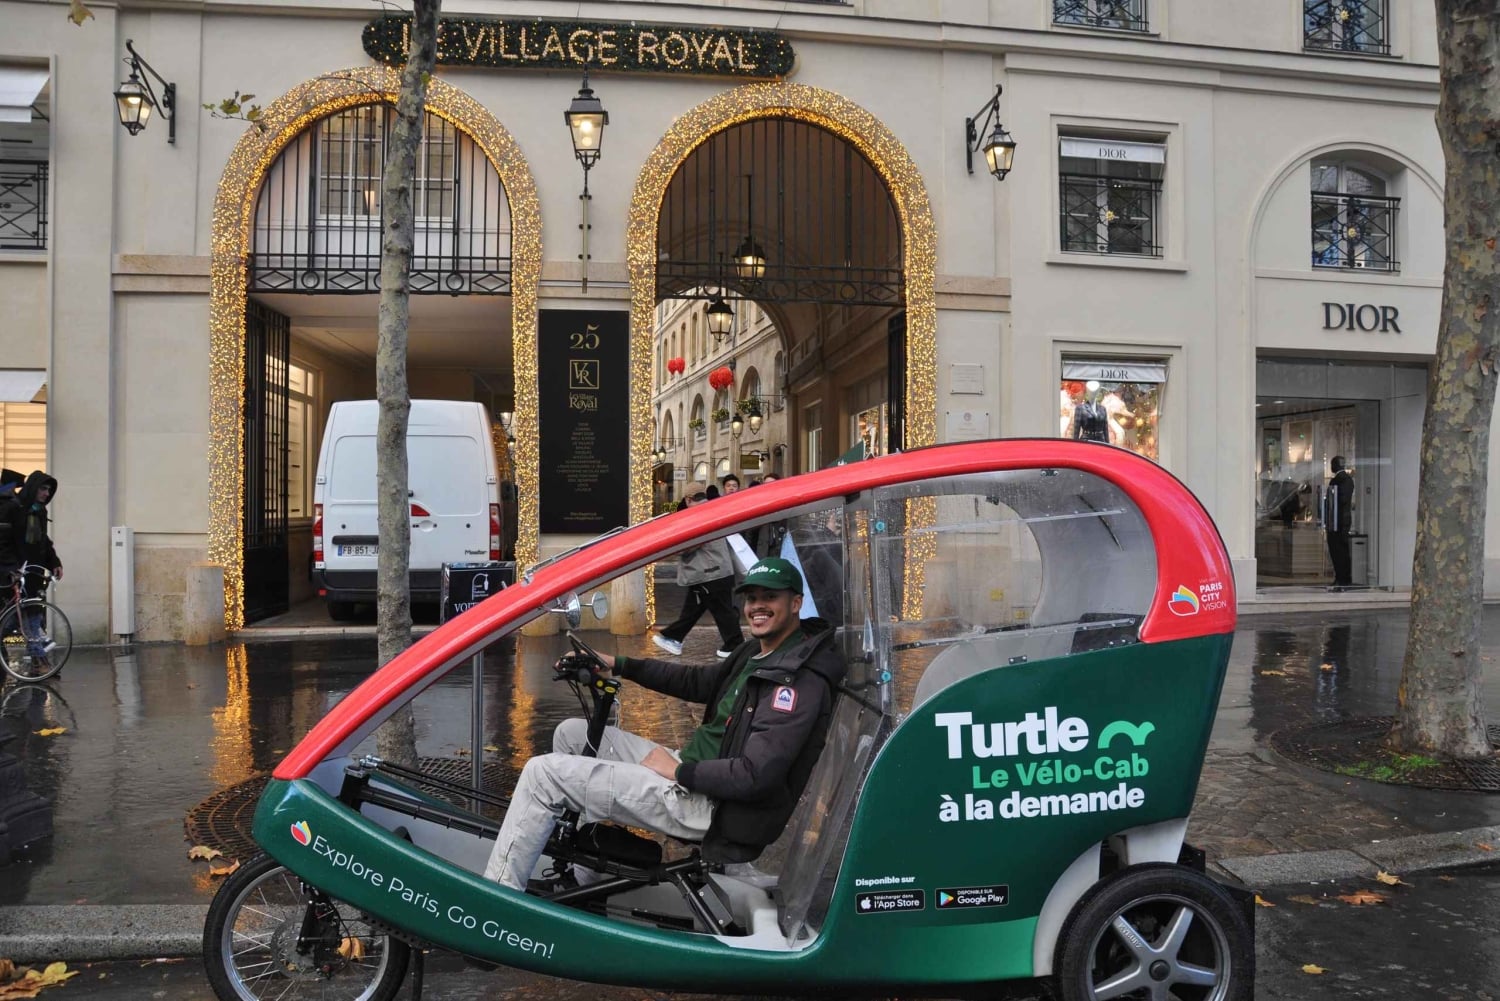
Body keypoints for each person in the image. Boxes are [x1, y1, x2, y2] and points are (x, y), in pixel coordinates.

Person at [484, 558, 846, 892]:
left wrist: (679, 771)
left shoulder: (796, 682)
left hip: (706, 804)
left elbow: (754, 776)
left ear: (796, 603)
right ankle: (586, 877)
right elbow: (698, 682)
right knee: (571, 734)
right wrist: (619, 664)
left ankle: (497, 904)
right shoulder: (759, 651)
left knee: (542, 774)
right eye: (751, 598)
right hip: (688, 769)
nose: (757, 607)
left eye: (770, 597)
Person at [653, 483, 743, 659]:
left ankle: (735, 644)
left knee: (720, 611)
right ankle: (675, 637)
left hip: (709, 572)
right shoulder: (711, 510)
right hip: (715, 571)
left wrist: (673, 548)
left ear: (688, 499)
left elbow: (691, 543)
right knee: (706, 609)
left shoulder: (697, 514)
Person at [1324, 456, 1355, 590]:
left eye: (1332, 464)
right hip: (1337, 521)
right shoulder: (1343, 480)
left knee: (1339, 551)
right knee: (1337, 551)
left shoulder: (1342, 480)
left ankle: (1343, 579)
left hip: (1339, 521)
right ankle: (1340, 578)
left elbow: (1341, 500)